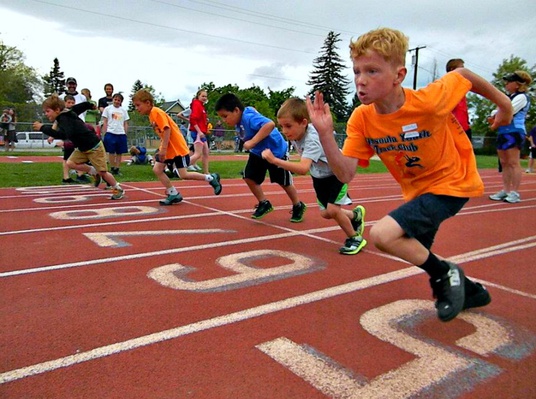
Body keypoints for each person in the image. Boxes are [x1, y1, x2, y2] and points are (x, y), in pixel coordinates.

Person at [306, 27, 513, 322]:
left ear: (399, 76)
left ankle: (446, 276)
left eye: (372, 71)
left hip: (453, 182)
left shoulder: (429, 101)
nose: (361, 80)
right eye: (357, 71)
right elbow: (345, 174)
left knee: (382, 234)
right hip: (417, 191)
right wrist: (326, 134)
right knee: (414, 248)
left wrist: (504, 103)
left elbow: (463, 75)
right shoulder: (362, 118)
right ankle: (471, 291)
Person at [262, 98, 367, 254]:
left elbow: (303, 168)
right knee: (326, 213)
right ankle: (355, 216)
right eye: (282, 126)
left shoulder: (312, 138)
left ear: (303, 122)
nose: (284, 131)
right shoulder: (296, 135)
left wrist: (275, 161)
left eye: (288, 126)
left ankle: (355, 238)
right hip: (319, 176)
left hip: (337, 173)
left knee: (332, 210)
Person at [215, 93, 306, 222]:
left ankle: (298, 205)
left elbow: (270, 124)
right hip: (258, 152)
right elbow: (252, 110)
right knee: (249, 176)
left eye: (225, 116)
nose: (224, 120)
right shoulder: (241, 118)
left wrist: (252, 141)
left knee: (283, 182)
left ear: (236, 110)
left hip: (275, 151)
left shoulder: (248, 117)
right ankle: (264, 203)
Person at [131, 89, 222, 205]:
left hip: (177, 148)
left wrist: (162, 149)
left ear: (148, 103)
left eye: (138, 105)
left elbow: (167, 129)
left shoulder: (156, 112)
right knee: (157, 169)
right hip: (169, 148)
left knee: (183, 174)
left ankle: (210, 178)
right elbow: (163, 134)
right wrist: (162, 148)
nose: (137, 108)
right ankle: (173, 193)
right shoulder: (151, 115)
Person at [33, 94, 124, 200]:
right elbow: (80, 107)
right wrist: (89, 105)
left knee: (103, 172)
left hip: (94, 147)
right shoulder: (68, 112)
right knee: (70, 163)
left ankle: (117, 188)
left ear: (57, 110)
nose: (46, 114)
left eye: (48, 111)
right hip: (82, 148)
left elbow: (64, 135)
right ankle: (94, 172)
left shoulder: (64, 119)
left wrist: (43, 128)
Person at [488, 71, 532, 203]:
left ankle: (515, 192)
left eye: (509, 81)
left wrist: (496, 115)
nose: (506, 84)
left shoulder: (522, 97)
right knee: (504, 162)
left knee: (513, 162)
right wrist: (496, 114)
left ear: (517, 84)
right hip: (503, 131)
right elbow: (496, 111)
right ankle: (506, 190)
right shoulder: (507, 97)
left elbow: (507, 110)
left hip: (514, 131)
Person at [101, 93, 130, 176]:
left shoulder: (123, 110)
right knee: (111, 151)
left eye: (119, 100)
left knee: (119, 152)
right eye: (115, 99)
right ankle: (112, 167)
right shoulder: (108, 109)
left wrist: (125, 132)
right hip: (111, 132)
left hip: (120, 133)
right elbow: (105, 121)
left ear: (121, 102)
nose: (117, 101)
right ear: (113, 100)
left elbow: (125, 123)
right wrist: (105, 132)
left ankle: (117, 168)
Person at [446, 59, 472, 141]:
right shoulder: (447, 86)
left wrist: (467, 122)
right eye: (461, 68)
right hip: (454, 128)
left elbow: (463, 109)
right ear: (452, 69)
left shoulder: (461, 86)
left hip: (464, 127)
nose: (464, 70)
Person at [188, 89, 211, 173]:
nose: (204, 98)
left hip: (201, 132)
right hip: (198, 133)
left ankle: (206, 172)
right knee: (197, 154)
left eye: (205, 96)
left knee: (206, 152)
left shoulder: (201, 106)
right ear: (198, 96)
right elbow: (193, 119)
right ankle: (179, 167)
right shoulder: (197, 104)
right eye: (202, 96)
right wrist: (200, 132)